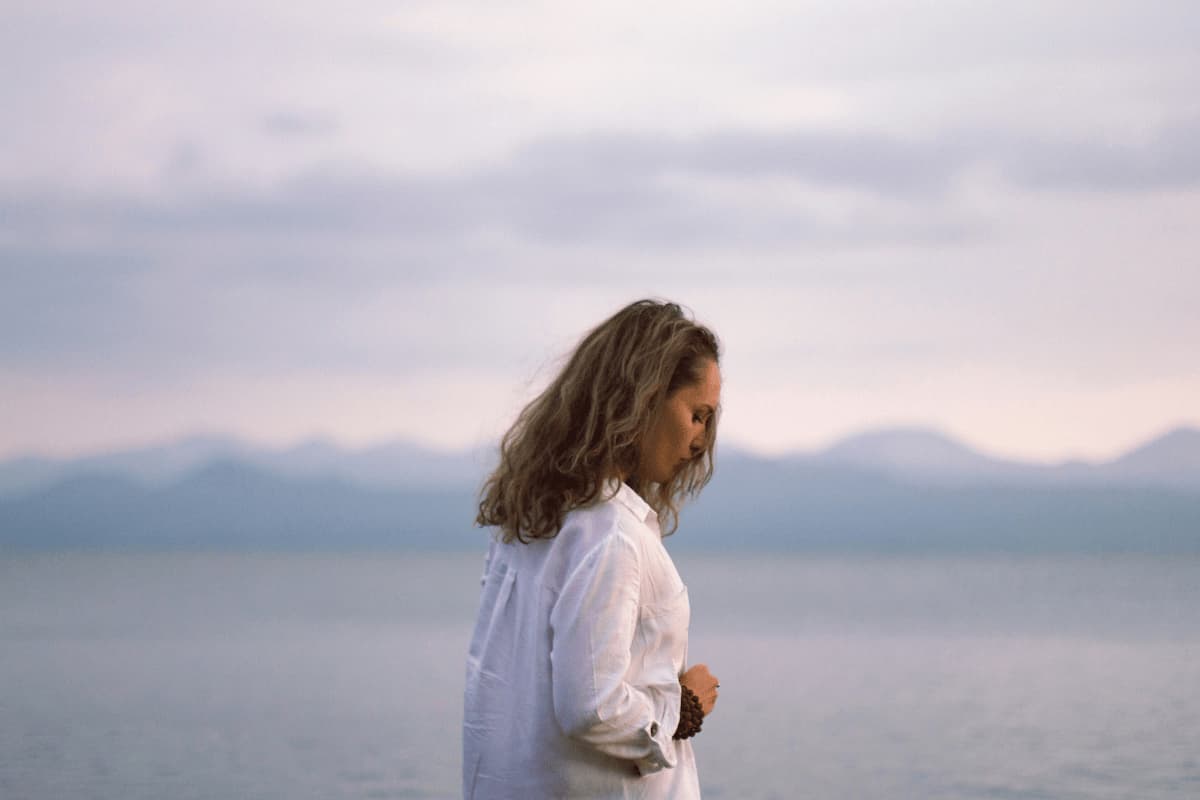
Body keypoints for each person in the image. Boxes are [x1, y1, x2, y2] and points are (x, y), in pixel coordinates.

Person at [463, 298, 722, 799]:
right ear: (643, 400)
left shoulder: (530, 523)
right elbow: (592, 706)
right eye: (697, 415)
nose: (700, 441)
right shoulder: (611, 534)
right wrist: (681, 707)